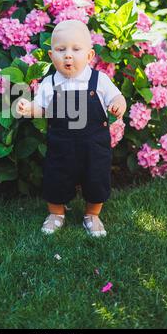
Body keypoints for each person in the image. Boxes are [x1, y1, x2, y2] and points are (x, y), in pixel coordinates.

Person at [16, 20, 127, 237]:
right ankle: (56, 213)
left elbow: (117, 96)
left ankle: (92, 215)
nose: (68, 55)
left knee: (96, 178)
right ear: (51, 56)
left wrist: (118, 104)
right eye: (61, 49)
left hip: (93, 146)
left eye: (76, 49)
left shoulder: (99, 80)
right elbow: (42, 108)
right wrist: (29, 108)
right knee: (56, 178)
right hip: (62, 146)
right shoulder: (49, 84)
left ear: (89, 55)